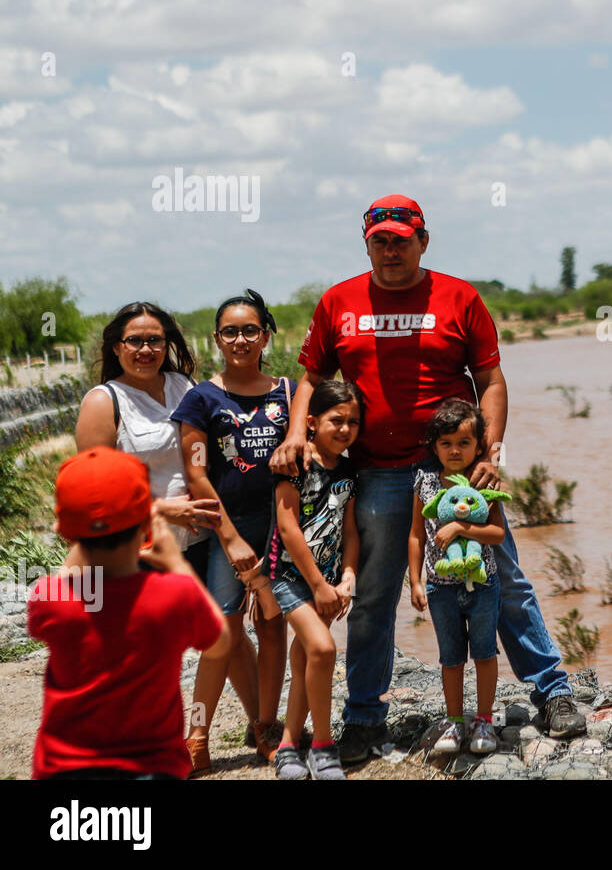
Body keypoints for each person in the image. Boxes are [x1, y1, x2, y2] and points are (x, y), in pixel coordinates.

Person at [270, 193, 584, 765]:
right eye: (380, 241)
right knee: (374, 595)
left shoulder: (459, 297)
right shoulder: (337, 301)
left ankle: (552, 691)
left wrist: (491, 449)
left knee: (502, 577)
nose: (391, 250)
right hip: (377, 473)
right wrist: (297, 433)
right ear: (367, 243)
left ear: (423, 240)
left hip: (454, 471)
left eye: (401, 239)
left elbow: (490, 378)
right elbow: (312, 376)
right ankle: (364, 716)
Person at [29, 447, 229, 780]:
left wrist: (80, 525)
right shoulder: (173, 596)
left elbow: (66, 576)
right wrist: (178, 565)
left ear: (65, 529)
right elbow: (220, 642)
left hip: (65, 771)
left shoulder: (51, 598)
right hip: (152, 769)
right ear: (146, 522)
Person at [171, 289, 292, 771]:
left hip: (283, 525)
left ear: (265, 334)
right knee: (222, 630)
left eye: (250, 330)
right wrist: (230, 537)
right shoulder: (202, 398)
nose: (240, 339)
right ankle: (196, 737)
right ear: (217, 338)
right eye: (230, 331)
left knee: (272, 624)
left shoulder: (287, 390)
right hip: (228, 526)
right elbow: (197, 473)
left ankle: (266, 727)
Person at [264, 380, 362, 781]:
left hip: (331, 581)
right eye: (336, 420)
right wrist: (320, 586)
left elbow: (351, 531)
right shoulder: (296, 465)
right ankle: (323, 745)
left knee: (306, 656)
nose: (345, 429)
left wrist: (348, 577)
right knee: (322, 651)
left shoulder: (350, 470)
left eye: (354, 422)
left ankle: (288, 745)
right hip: (292, 578)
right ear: (311, 421)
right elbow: (288, 530)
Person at [74, 301, 221, 540]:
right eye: (134, 341)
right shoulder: (103, 402)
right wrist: (161, 510)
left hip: (203, 540)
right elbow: (93, 489)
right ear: (116, 347)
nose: (146, 350)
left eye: (154, 340)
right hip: (141, 549)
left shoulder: (185, 386)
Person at [409, 400, 506, 755]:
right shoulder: (424, 482)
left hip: (483, 585)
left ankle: (484, 720)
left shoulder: (484, 483)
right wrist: (416, 581)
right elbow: (416, 535)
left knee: (484, 652)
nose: (454, 450)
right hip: (439, 587)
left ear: (479, 446)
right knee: (450, 657)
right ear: (434, 445)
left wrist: (460, 527)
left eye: (464, 443)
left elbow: (497, 534)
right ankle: (454, 721)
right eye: (446, 442)